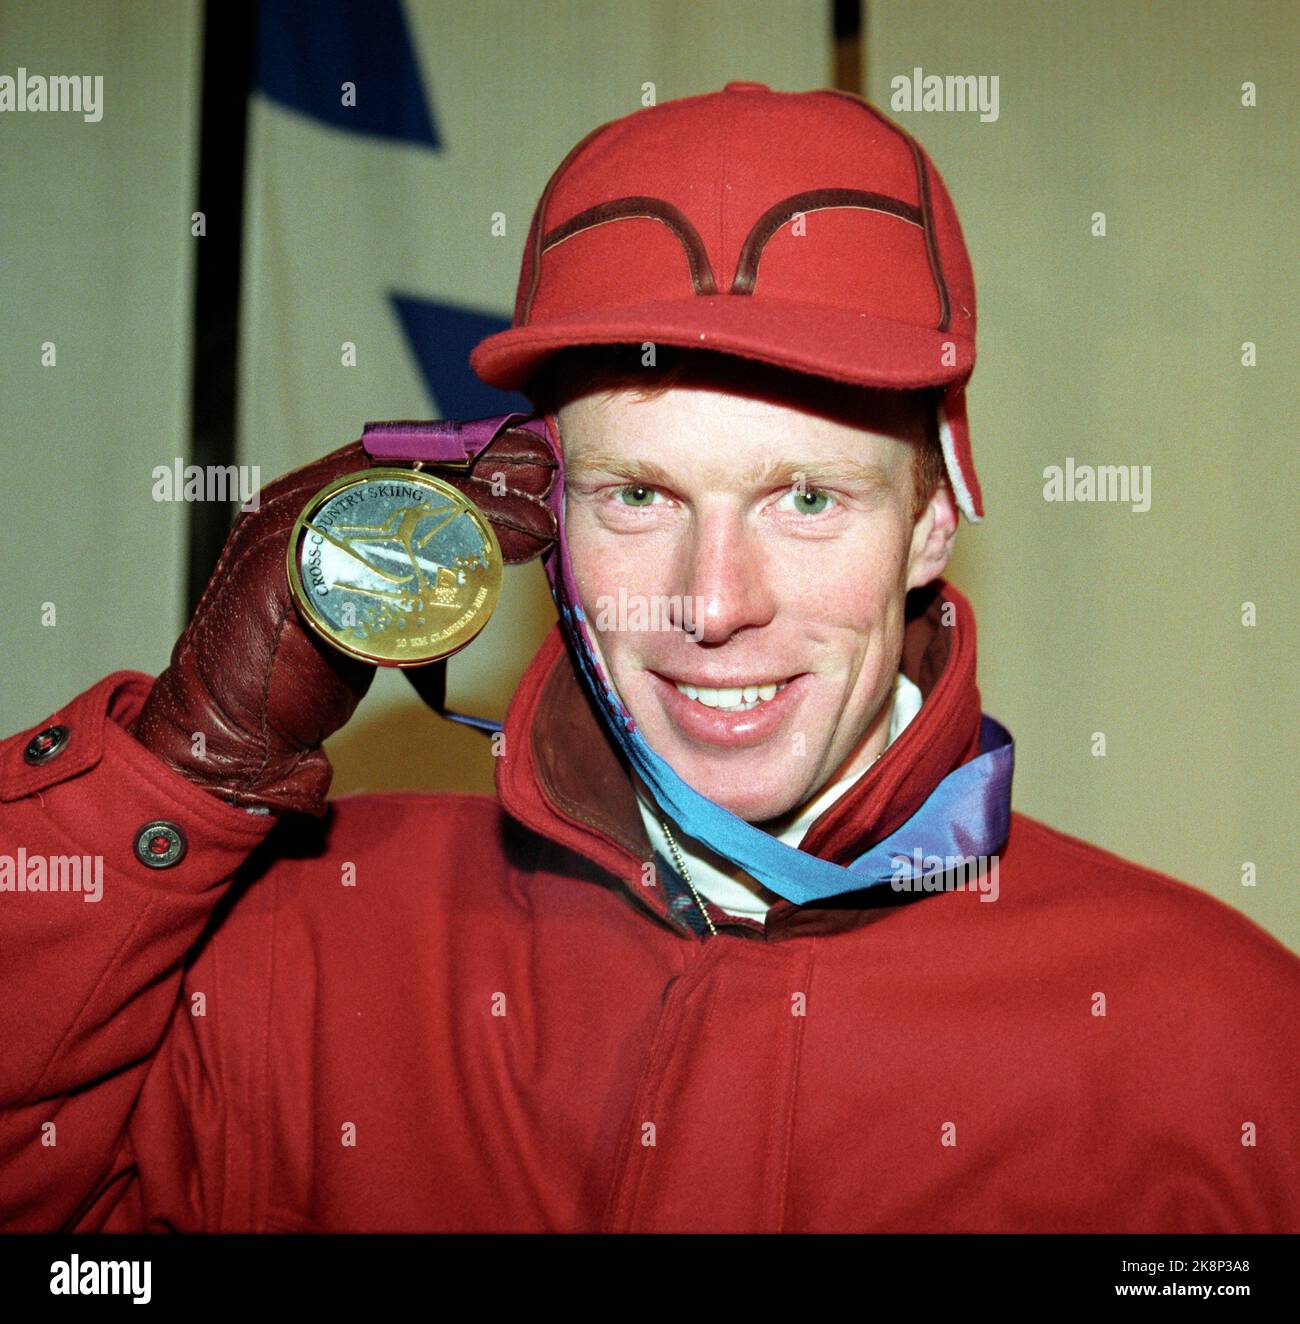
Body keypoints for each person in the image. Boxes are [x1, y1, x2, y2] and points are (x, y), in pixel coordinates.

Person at [1, 83, 1296, 1235]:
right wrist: (180, 768)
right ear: (536, 508)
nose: (712, 604)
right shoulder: (302, 954)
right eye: (640, 497)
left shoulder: (1211, 1038)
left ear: (937, 513)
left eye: (805, 498)